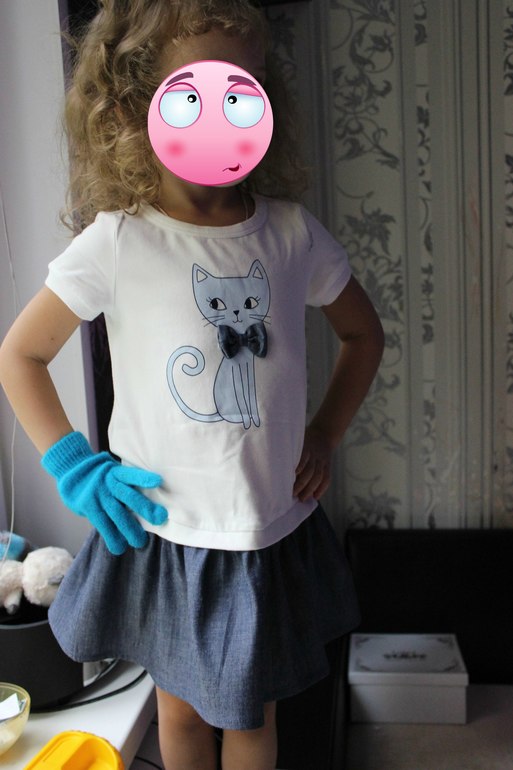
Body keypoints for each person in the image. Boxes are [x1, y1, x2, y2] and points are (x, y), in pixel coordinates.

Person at [0, 1, 384, 768]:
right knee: (176, 713)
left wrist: (323, 432)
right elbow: (21, 356)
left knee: (252, 717)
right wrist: (75, 467)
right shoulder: (119, 240)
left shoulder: (290, 232)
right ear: (132, 105)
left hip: (264, 530)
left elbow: (362, 335)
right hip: (165, 533)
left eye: (243, 89)